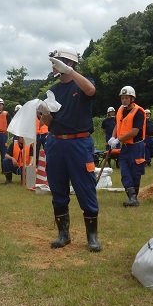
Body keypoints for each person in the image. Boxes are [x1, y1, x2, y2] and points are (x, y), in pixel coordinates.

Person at [37, 47, 101, 252]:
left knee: (85, 187)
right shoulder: (53, 91)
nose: (56, 65)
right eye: (55, 62)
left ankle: (92, 237)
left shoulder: (83, 82)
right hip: (56, 142)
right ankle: (63, 234)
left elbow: (91, 91)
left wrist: (70, 71)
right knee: (57, 188)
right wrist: (44, 112)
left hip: (79, 143)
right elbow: (48, 122)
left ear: (71, 63)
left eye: (61, 61)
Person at [108, 86, 147, 207]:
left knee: (135, 172)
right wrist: (113, 137)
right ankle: (131, 197)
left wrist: (118, 139)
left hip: (136, 147)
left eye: (126, 98)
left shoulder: (139, 112)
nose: (124, 100)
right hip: (125, 147)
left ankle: (134, 198)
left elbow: (135, 131)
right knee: (125, 171)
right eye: (122, 98)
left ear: (132, 98)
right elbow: (117, 126)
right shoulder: (120, 110)